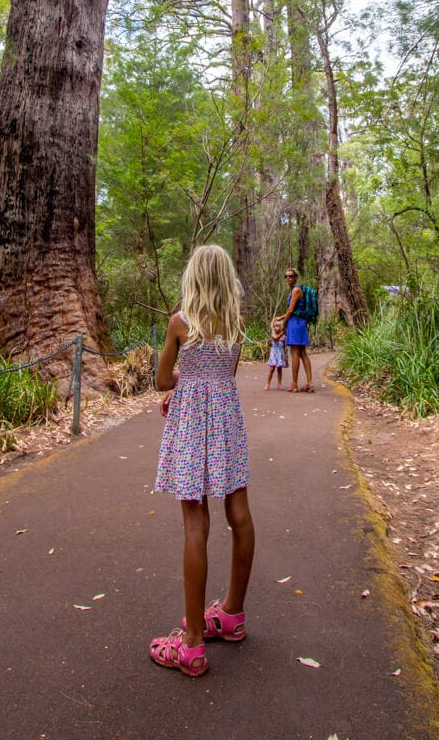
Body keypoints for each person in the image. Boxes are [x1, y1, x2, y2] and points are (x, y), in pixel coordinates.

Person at [150, 245, 256, 677]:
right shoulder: (235, 324)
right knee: (240, 515)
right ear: (226, 278)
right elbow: (223, 376)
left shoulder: (180, 323)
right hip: (227, 420)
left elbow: (161, 381)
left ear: (193, 277)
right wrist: (195, 381)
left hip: (193, 424)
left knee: (196, 524)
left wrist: (180, 383)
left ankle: (192, 642)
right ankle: (231, 612)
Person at [273, 267, 314, 393]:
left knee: (295, 353)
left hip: (295, 323)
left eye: (291, 276)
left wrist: (283, 324)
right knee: (302, 353)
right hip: (299, 322)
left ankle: (294, 384)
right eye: (286, 276)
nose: (288, 278)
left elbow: (291, 310)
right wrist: (282, 317)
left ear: (296, 278)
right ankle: (310, 384)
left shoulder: (296, 290)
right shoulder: (295, 290)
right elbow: (295, 309)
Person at [264, 317, 287, 390]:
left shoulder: (284, 337)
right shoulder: (273, 335)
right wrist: (282, 332)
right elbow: (276, 338)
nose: (276, 328)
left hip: (280, 354)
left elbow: (284, 347)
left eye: (278, 326)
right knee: (271, 369)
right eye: (274, 326)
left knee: (279, 370)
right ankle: (267, 384)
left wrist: (286, 356)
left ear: (281, 327)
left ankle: (279, 384)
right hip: (274, 355)